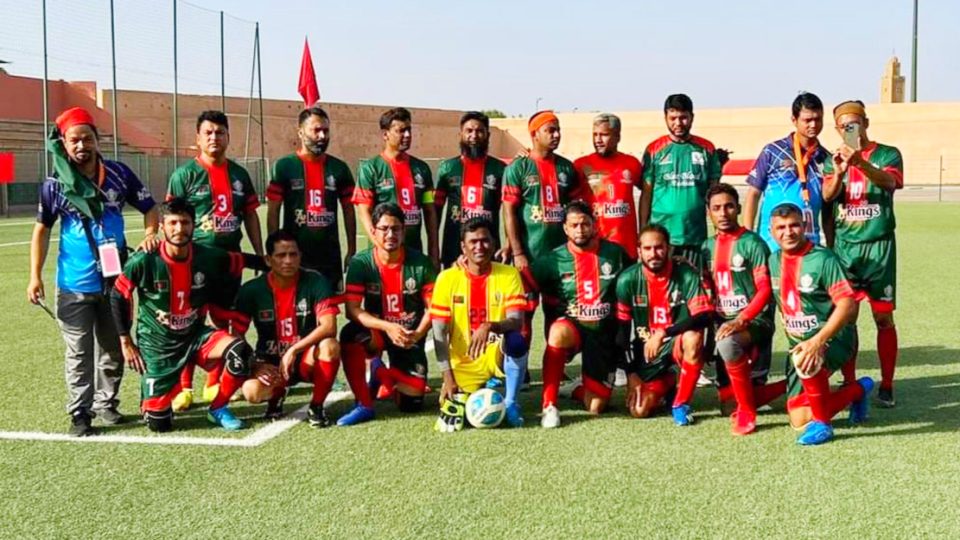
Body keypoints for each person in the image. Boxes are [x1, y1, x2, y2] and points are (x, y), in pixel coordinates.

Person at [27, 106, 159, 436]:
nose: (81, 145)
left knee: (113, 347)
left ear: (97, 140)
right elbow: (42, 230)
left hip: (115, 282)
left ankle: (106, 403)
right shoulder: (55, 184)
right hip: (73, 284)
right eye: (74, 140)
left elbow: (150, 207)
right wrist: (35, 275)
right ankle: (80, 413)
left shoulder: (119, 173)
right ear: (64, 144)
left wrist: (150, 234)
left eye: (87, 138)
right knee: (79, 352)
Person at [110, 199, 264, 432]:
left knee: (240, 351)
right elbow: (118, 295)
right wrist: (126, 341)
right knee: (159, 424)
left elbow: (244, 260)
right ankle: (161, 396)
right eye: (173, 223)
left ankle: (218, 408)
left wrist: (279, 264)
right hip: (158, 345)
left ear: (194, 225)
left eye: (185, 222)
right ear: (162, 227)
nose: (179, 229)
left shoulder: (207, 256)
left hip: (195, 337)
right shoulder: (144, 260)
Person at [167, 110, 264, 410]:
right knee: (187, 321)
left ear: (228, 137)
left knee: (228, 321)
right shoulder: (184, 175)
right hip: (193, 264)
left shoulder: (240, 175)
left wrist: (259, 253)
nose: (214, 138)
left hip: (229, 263)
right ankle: (183, 388)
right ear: (197, 139)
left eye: (220, 132)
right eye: (208, 133)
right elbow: (171, 219)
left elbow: (250, 215)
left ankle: (217, 381)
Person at [767, 203, 874, 445]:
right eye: (781, 227)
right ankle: (857, 390)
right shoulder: (773, 260)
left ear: (805, 225)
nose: (788, 232)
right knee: (799, 420)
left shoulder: (823, 258)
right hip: (799, 346)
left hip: (834, 339)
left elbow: (847, 304)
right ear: (771, 232)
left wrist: (818, 341)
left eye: (794, 225)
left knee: (806, 360)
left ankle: (824, 425)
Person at [822, 100, 903, 408]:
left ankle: (887, 384)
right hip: (847, 249)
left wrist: (861, 163)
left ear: (866, 123)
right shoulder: (832, 160)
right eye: (844, 126)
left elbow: (891, 182)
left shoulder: (887, 154)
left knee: (883, 317)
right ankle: (850, 381)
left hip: (879, 247)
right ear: (837, 129)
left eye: (855, 124)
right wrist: (840, 170)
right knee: (847, 317)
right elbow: (827, 196)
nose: (850, 130)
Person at [529, 201, 629, 428]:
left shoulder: (615, 254)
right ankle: (549, 405)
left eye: (585, 224)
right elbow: (523, 282)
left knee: (596, 407)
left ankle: (575, 388)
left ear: (594, 225)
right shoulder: (552, 260)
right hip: (573, 328)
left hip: (603, 335)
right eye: (574, 225)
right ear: (565, 228)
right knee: (558, 332)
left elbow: (637, 277)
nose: (580, 230)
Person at [337, 203, 438, 426]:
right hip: (379, 334)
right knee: (351, 334)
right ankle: (363, 404)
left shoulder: (421, 263)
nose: (390, 234)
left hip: (408, 336)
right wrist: (388, 326)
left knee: (412, 404)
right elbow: (352, 309)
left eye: (396, 228)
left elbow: (434, 308)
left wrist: (418, 334)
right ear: (373, 231)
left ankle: (381, 373)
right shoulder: (361, 263)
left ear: (404, 231)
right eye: (384, 229)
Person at [231, 230, 342, 427]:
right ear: (268, 260)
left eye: (293, 254)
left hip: (305, 358)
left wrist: (294, 349)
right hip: (271, 363)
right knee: (251, 392)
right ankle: (278, 393)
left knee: (330, 346)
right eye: (281, 255)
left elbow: (329, 326)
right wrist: (254, 364)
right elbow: (236, 334)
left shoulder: (316, 281)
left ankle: (316, 406)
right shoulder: (252, 290)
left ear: (300, 256)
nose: (288, 261)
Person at [430, 218, 529, 432]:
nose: (479, 246)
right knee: (456, 415)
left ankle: (511, 402)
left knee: (516, 341)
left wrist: (489, 326)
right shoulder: (446, 279)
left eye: (485, 240)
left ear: (493, 244)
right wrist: (447, 378)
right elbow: (439, 334)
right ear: (463, 247)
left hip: (495, 355)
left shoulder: (509, 274)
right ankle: (471, 388)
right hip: (462, 363)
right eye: (473, 242)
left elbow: (516, 321)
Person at [701, 183, 784, 435]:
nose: (723, 213)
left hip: (755, 323)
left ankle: (748, 412)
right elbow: (708, 288)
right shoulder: (706, 247)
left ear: (738, 208)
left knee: (728, 345)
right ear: (708, 212)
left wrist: (742, 319)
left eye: (728, 206)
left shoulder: (752, 243)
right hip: (723, 325)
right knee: (728, 406)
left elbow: (765, 289)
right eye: (717, 208)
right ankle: (792, 384)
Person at [615, 225, 712, 425]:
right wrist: (631, 374)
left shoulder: (685, 274)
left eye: (659, 247)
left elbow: (704, 316)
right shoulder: (627, 280)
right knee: (639, 410)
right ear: (639, 251)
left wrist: (663, 333)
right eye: (647, 248)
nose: (653, 254)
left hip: (676, 341)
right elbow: (621, 333)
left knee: (693, 338)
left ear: (668, 248)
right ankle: (668, 382)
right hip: (648, 351)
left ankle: (681, 404)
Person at [266, 106, 356, 294]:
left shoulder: (339, 168)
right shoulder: (284, 166)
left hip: (329, 257)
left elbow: (349, 210)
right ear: (300, 132)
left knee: (329, 306)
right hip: (294, 256)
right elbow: (273, 211)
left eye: (326, 130)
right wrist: (273, 250)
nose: (322, 136)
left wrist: (352, 248)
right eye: (316, 130)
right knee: (296, 304)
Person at [639, 94, 722, 270]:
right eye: (673, 118)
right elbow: (646, 194)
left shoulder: (707, 148)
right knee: (663, 282)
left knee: (694, 281)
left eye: (683, 117)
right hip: (661, 237)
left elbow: (715, 195)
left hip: (695, 235)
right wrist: (643, 231)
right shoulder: (654, 149)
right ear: (665, 118)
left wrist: (718, 232)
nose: (678, 123)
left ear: (692, 117)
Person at [353, 107, 439, 268]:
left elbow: (429, 211)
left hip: (414, 254)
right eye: (401, 131)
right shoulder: (370, 168)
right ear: (385, 134)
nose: (407, 135)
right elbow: (364, 211)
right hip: (382, 257)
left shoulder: (422, 169)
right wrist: (379, 244)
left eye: (409, 130)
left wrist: (434, 252)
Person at [743, 93, 830, 251]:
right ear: (794, 120)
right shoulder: (772, 151)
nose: (813, 125)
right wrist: (747, 237)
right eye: (807, 120)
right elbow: (753, 194)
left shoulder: (826, 158)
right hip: (772, 244)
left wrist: (831, 245)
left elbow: (828, 208)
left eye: (818, 119)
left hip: (810, 244)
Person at [434, 111, 508, 268]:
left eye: (479, 131)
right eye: (469, 131)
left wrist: (508, 244)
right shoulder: (447, 168)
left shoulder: (500, 169)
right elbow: (435, 212)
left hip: (488, 248)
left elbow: (510, 211)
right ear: (460, 134)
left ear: (488, 135)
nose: (474, 136)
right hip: (453, 248)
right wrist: (433, 248)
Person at [574, 113, 643, 261]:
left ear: (617, 137)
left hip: (626, 248)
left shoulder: (631, 164)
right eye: (595, 135)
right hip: (595, 249)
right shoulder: (581, 165)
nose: (598, 140)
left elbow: (649, 193)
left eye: (604, 135)